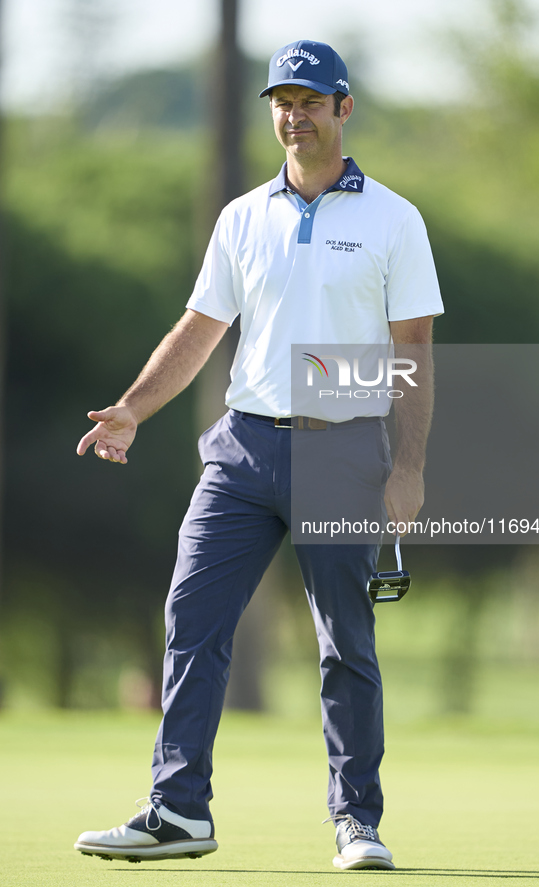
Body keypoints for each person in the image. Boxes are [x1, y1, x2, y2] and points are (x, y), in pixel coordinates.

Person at [74, 39, 443, 872]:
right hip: (240, 450)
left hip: (343, 445)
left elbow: (412, 353)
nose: (293, 114)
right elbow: (200, 328)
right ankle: (177, 809)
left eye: (310, 100)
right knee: (191, 619)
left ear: (343, 109)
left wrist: (408, 465)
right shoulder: (243, 216)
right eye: (281, 100)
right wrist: (133, 409)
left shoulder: (394, 218)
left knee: (344, 642)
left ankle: (356, 820)